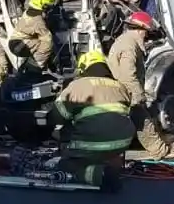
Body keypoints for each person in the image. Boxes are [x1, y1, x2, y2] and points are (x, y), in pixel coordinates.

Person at [48, 50, 135, 191]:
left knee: (65, 166)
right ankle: (111, 162)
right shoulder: (119, 86)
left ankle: (100, 175)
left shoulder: (78, 85)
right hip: (122, 143)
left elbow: (56, 116)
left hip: (91, 144)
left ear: (83, 68)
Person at [107, 10, 174, 160]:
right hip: (126, 91)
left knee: (139, 121)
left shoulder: (125, 41)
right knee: (143, 122)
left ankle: (159, 149)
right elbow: (128, 74)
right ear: (140, 30)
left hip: (121, 91)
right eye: (146, 32)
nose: (147, 37)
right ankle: (160, 151)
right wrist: (138, 95)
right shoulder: (129, 46)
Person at [8, 0, 56, 74]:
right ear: (44, 5)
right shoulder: (38, 21)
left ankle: (25, 68)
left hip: (16, 43)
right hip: (20, 45)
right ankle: (33, 68)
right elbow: (47, 43)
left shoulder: (29, 11)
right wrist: (39, 64)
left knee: (38, 41)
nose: (50, 8)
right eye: (49, 5)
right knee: (45, 41)